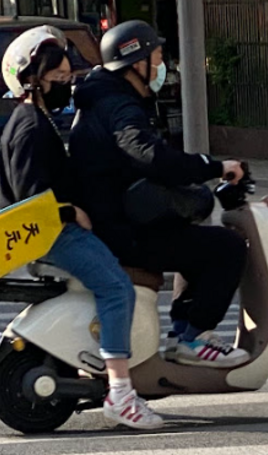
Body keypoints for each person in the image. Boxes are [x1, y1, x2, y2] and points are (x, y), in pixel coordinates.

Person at [0, 26, 165, 430]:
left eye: (69, 79)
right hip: (54, 234)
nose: (66, 86)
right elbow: (29, 196)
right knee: (115, 287)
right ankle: (121, 393)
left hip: (55, 230)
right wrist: (70, 212)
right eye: (59, 79)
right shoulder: (31, 127)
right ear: (34, 80)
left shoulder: (35, 119)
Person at [69, 20, 250, 369]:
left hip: (119, 219)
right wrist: (212, 167)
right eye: (156, 56)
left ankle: (182, 333)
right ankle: (193, 338)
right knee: (227, 247)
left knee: (193, 236)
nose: (160, 65)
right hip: (122, 230)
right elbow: (149, 155)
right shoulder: (119, 106)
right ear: (135, 62)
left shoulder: (103, 98)